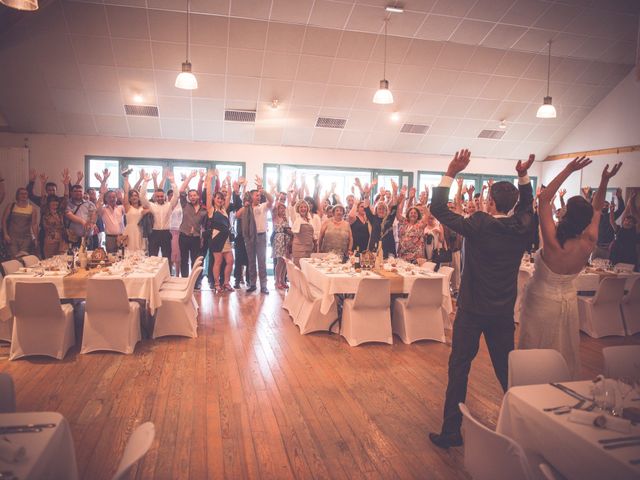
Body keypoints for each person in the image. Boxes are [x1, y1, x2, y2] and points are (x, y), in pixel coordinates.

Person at [428, 149, 536, 449]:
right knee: (506, 371)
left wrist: (452, 170)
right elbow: (528, 206)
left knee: (459, 367)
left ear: (489, 202)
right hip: (502, 312)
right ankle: (528, 428)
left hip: (472, 310)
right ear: (513, 204)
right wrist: (523, 176)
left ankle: (451, 432)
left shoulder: (479, 223)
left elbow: (437, 207)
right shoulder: (523, 225)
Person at [519, 159, 623, 379]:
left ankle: (531, 386)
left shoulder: (554, 241)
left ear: (566, 213)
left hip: (541, 300)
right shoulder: (589, 240)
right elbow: (596, 207)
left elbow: (544, 199)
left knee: (536, 346)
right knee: (564, 347)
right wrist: (604, 180)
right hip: (569, 300)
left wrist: (569, 169)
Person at [236, 177, 273, 294]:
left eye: (259, 195)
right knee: (251, 261)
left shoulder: (262, 207)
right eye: (256, 195)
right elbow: (237, 215)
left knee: (262, 262)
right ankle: (252, 284)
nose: (259, 196)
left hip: (261, 237)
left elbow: (272, 201)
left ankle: (263, 286)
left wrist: (263, 190)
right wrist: (246, 206)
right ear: (251, 197)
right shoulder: (246, 209)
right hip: (249, 237)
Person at [204, 171, 234, 293]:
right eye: (218, 198)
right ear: (214, 199)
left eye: (222, 199)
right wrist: (210, 180)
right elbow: (208, 194)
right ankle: (217, 284)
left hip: (226, 239)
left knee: (230, 261)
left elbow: (229, 195)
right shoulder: (211, 209)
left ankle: (226, 282)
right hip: (216, 238)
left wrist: (229, 183)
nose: (220, 200)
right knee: (218, 261)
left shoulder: (224, 209)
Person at [140, 170, 179, 260]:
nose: (160, 198)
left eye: (161, 196)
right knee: (152, 257)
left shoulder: (169, 205)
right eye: (158, 196)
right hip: (154, 233)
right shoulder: (151, 205)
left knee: (167, 258)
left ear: (164, 196)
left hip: (166, 233)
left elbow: (176, 195)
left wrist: (172, 181)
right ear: (155, 197)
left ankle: (167, 274)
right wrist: (145, 182)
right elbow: (142, 196)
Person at [179, 171, 207, 278]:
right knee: (184, 260)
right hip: (183, 236)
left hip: (195, 238)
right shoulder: (185, 204)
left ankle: (195, 282)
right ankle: (185, 280)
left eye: (194, 195)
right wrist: (190, 177)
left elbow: (204, 226)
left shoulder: (203, 210)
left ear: (198, 196)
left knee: (195, 261)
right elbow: (181, 190)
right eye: (190, 196)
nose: (192, 197)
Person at [95, 169, 125, 254]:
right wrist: (103, 180)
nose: (112, 199)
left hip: (122, 236)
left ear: (116, 198)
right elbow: (97, 206)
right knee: (111, 257)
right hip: (110, 238)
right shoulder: (103, 209)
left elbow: (128, 209)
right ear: (106, 199)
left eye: (114, 197)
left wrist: (121, 198)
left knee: (123, 256)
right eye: (109, 197)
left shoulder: (121, 207)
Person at [2, 187, 38, 258]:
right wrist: (5, 234)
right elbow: (4, 221)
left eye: (25, 194)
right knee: (14, 258)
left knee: (24, 258)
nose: (24, 195)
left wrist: (36, 238)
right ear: (17, 195)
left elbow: (34, 224)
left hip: (26, 238)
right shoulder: (11, 206)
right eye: (21, 194)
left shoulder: (32, 209)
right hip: (12, 237)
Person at [396, 188, 428, 263]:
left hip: (416, 257)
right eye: (411, 213)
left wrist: (424, 204)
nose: (413, 214)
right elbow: (398, 214)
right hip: (402, 255)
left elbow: (427, 215)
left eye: (415, 213)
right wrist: (409, 198)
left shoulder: (420, 224)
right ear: (408, 214)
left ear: (418, 215)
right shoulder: (404, 222)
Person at [609, 192, 639, 268]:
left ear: (633, 224)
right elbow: (612, 221)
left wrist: (630, 203)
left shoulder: (635, 230)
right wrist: (612, 211)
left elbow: (637, 219)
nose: (627, 222)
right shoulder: (619, 229)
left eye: (630, 221)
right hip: (616, 256)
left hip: (630, 258)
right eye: (626, 220)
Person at [593, 188, 625, 259]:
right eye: (603, 205)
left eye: (607, 205)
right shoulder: (596, 216)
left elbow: (621, 209)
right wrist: (593, 198)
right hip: (596, 246)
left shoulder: (611, 216)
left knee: (606, 266)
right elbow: (590, 209)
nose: (605, 207)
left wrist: (619, 198)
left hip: (607, 248)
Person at [122, 170, 149, 253]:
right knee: (129, 251)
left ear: (138, 197)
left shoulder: (143, 207)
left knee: (140, 251)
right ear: (129, 198)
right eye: (132, 196)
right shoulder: (128, 207)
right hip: (130, 231)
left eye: (136, 195)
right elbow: (126, 192)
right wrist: (126, 178)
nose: (134, 197)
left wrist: (147, 211)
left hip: (140, 231)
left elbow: (150, 209)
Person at [289, 199, 318, 267]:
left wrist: (315, 243)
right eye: (301, 207)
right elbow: (291, 208)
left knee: (306, 268)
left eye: (305, 207)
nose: (303, 209)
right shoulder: (296, 218)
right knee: (298, 268)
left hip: (309, 248)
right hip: (299, 248)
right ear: (298, 209)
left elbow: (313, 234)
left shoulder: (309, 219)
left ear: (307, 208)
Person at [272, 203, 291, 289]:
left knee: (285, 261)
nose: (282, 210)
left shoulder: (286, 219)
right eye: (281, 208)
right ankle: (277, 280)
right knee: (279, 261)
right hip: (278, 239)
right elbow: (273, 208)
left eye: (284, 208)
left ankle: (283, 280)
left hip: (286, 239)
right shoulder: (275, 217)